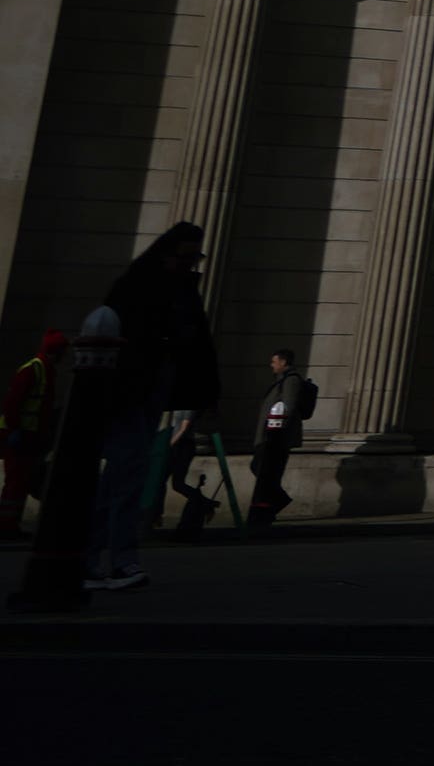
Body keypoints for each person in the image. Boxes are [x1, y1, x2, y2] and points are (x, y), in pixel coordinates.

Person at [91, 221, 217, 592]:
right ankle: (115, 560)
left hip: (152, 392)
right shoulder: (138, 288)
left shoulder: (181, 291)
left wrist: (206, 394)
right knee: (125, 478)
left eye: (197, 257)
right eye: (187, 257)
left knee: (122, 478)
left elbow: (199, 345)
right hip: (130, 392)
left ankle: (106, 558)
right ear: (167, 253)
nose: (192, 264)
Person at [2, 326, 63, 534]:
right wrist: (14, 430)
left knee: (20, 482)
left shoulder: (45, 370)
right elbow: (13, 403)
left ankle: (10, 523)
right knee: (16, 482)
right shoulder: (34, 369)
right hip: (21, 435)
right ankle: (6, 525)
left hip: (30, 436)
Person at [247, 348, 314, 527]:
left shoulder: (291, 381)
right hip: (269, 436)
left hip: (275, 438)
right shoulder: (282, 380)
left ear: (283, 362)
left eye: (274, 361)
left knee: (267, 473)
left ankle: (270, 507)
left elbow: (289, 407)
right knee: (260, 469)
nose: (272, 365)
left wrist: (276, 433)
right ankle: (273, 504)